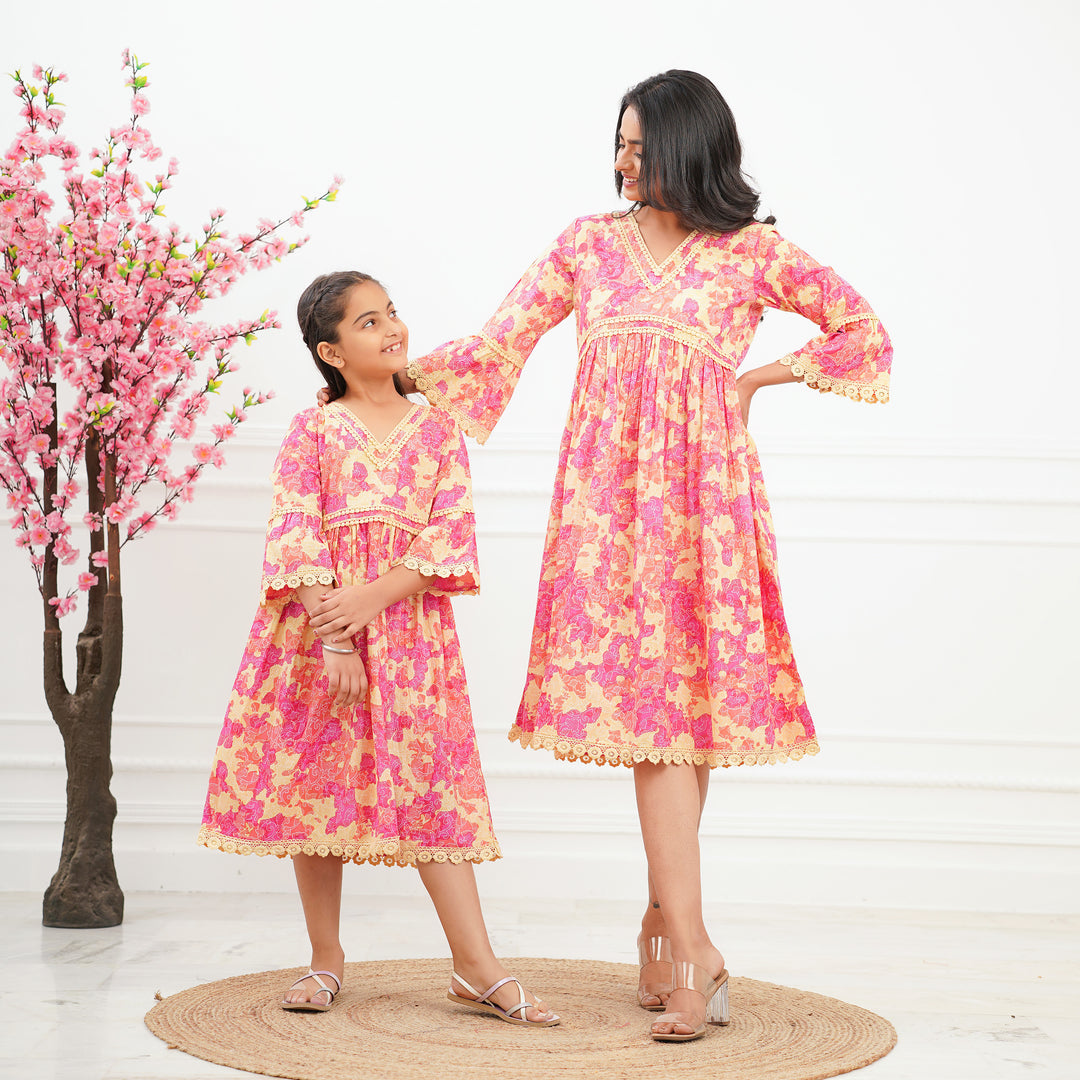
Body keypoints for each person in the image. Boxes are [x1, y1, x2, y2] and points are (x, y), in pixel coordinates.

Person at [198, 271, 558, 1027]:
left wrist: (373, 599)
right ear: (331, 350)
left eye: (392, 312)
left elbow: (448, 534)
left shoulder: (438, 428)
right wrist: (338, 635)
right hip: (318, 641)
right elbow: (293, 531)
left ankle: (476, 966)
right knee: (317, 793)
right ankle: (325, 959)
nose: (392, 328)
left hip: (412, 641)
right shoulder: (313, 431)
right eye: (369, 322)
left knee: (433, 794)